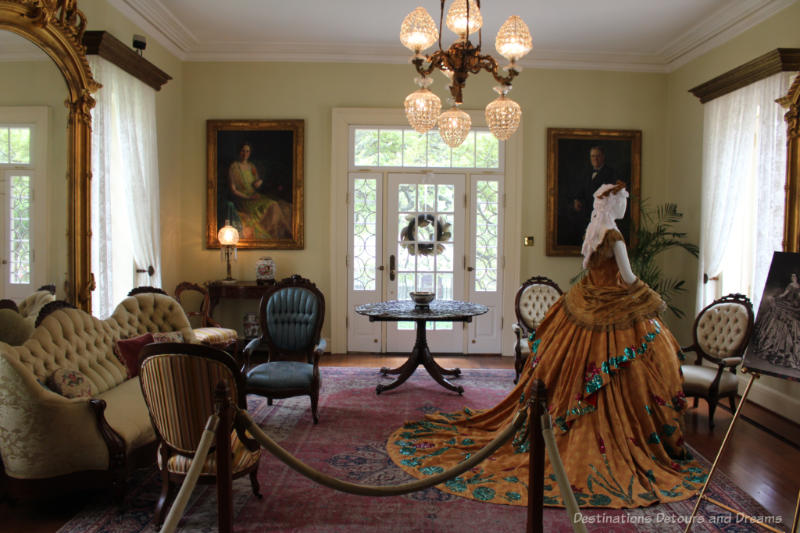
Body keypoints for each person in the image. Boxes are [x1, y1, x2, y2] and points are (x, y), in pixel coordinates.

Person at [386, 181, 705, 509]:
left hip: (587, 304)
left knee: (575, 368)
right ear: (611, 203)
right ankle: (602, 429)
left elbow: (590, 270)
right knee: (621, 367)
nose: (626, 205)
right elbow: (627, 277)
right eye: (622, 200)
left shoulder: (595, 230)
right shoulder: (615, 236)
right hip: (610, 311)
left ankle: (576, 417)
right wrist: (650, 298)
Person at [227, 142, 292, 241]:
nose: (245, 153)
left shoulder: (251, 166)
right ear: (239, 152)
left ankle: (280, 235)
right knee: (272, 205)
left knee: (275, 204)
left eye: (247, 151)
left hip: (254, 195)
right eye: (243, 151)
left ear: (250, 153)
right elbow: (234, 190)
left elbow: (256, 183)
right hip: (243, 199)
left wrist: (259, 181)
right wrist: (248, 197)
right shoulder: (234, 167)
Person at [562, 146, 618, 245]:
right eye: (593, 156)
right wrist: (577, 199)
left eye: (597, 156)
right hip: (587, 212)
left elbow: (611, 195)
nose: (595, 159)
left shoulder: (610, 173)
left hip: (601, 215)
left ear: (603, 157)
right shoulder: (586, 172)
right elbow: (581, 189)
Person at [751, 272, 800, 369]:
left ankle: (777, 345)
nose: (792, 277)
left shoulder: (792, 286)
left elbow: (784, 295)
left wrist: (775, 298)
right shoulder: (797, 287)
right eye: (791, 276)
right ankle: (776, 341)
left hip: (790, 305)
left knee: (776, 313)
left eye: (793, 276)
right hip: (792, 305)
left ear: (797, 277)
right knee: (774, 314)